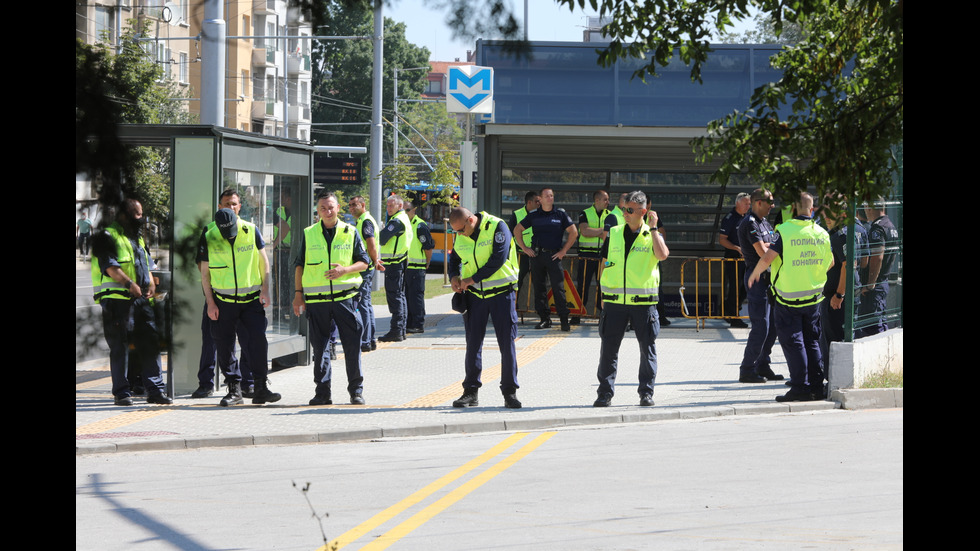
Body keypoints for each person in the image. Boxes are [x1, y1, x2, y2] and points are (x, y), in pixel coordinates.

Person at [748, 192, 834, 402]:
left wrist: (756, 273)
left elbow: (768, 257)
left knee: (794, 343)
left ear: (793, 210)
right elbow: (830, 262)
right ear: (812, 210)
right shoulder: (822, 233)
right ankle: (816, 386)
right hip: (814, 298)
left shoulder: (784, 231)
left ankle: (800, 388)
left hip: (788, 299)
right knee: (812, 342)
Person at [91, 199, 172, 406]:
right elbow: (111, 267)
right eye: (137, 215)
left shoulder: (136, 239)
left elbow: (146, 265)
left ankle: (155, 391)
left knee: (150, 344)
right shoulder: (107, 236)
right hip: (117, 301)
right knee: (120, 346)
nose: (141, 219)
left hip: (141, 300)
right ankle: (122, 392)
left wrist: (152, 283)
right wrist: (130, 285)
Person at [592, 191, 670, 407]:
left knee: (647, 350)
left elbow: (663, 255)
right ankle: (604, 393)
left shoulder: (652, 234)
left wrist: (653, 229)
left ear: (643, 212)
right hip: (615, 302)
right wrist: (602, 293)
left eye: (630, 210)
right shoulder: (614, 232)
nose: (625, 213)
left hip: (643, 304)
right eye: (624, 208)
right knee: (608, 350)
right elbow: (605, 262)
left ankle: (646, 392)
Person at [294, 193, 370, 405]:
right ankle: (322, 392)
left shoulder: (350, 231)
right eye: (323, 208)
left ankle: (356, 391)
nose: (327, 212)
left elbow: (365, 262)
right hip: (317, 301)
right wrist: (298, 295)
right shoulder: (309, 233)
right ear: (317, 211)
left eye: (331, 207)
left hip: (345, 299)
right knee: (320, 348)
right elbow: (299, 265)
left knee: (352, 345)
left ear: (338, 208)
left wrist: (345, 270)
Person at [199, 208, 280, 406]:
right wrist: (210, 302)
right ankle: (234, 389)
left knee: (257, 343)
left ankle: (261, 387)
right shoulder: (209, 236)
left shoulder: (251, 230)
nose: (230, 234)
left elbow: (264, 263)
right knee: (224, 345)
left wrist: (266, 290)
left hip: (251, 301)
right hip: (223, 302)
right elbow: (205, 274)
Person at [448, 207, 522, 409]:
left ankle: (509, 392)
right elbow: (454, 258)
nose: (459, 235)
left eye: (461, 230)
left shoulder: (498, 227)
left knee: (506, 344)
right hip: (475, 297)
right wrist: (453, 276)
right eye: (456, 232)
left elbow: (497, 259)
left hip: (501, 294)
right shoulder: (462, 235)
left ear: (471, 220)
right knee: (473, 344)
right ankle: (470, 392)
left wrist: (471, 279)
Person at [191, 189, 255, 399]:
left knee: (246, 341)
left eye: (234, 204)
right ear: (219, 207)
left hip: (244, 299)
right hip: (218, 298)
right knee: (212, 341)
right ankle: (206, 383)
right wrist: (210, 299)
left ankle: (247, 383)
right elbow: (203, 267)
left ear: (240, 207)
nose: (231, 207)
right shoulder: (209, 231)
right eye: (226, 204)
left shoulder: (249, 230)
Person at [736, 188, 784, 383]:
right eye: (769, 202)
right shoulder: (750, 223)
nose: (773, 205)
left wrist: (770, 248)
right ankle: (747, 369)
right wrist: (771, 249)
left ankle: (763, 365)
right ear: (758, 202)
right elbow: (764, 252)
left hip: (769, 279)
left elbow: (770, 247)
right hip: (757, 279)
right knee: (761, 327)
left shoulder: (764, 222)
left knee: (773, 326)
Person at [514, 188, 578, 331]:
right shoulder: (534, 215)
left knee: (559, 289)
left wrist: (564, 251)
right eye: (546, 196)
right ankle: (544, 319)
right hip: (537, 256)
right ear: (540, 200)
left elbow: (574, 232)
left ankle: (563, 320)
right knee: (539, 288)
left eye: (552, 196)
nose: (550, 198)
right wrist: (524, 248)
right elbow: (517, 230)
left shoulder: (560, 214)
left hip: (554, 256)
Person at [819, 201, 866, 375]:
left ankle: (833, 380)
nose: (826, 217)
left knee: (834, 342)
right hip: (843, 295)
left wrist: (839, 294)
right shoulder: (845, 232)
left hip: (837, 299)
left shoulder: (840, 235)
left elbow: (848, 265)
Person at [378, 194, 414, 342]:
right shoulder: (402, 219)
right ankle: (400, 330)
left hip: (394, 264)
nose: (388, 208)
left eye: (391, 205)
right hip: (398, 262)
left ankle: (396, 330)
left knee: (395, 296)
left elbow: (381, 238)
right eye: (387, 206)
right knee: (399, 295)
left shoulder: (397, 221)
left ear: (400, 206)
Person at [348, 195, 383, 352]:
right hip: (367, 266)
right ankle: (370, 339)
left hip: (365, 267)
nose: (351, 208)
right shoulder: (363, 220)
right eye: (350, 205)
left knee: (362, 303)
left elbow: (371, 244)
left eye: (355, 205)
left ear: (363, 205)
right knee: (366, 303)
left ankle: (366, 340)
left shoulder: (366, 221)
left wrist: (374, 261)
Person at [860, 201, 898, 336]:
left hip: (875, 286)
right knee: (880, 323)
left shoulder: (878, 228)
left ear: (869, 207)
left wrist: (870, 284)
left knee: (872, 328)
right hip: (883, 282)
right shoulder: (890, 225)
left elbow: (878, 257)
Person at [574, 190, 609, 323]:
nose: (608, 202)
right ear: (597, 200)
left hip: (603, 255)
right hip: (586, 254)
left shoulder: (610, 215)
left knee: (603, 285)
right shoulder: (585, 213)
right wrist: (602, 231)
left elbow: (608, 234)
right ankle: (577, 314)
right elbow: (584, 231)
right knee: (583, 285)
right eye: (605, 199)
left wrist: (594, 231)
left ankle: (602, 314)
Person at [719, 192, 751, 328]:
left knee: (746, 286)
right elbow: (722, 240)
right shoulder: (730, 218)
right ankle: (733, 317)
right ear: (737, 203)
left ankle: (729, 307)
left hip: (748, 259)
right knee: (735, 288)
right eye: (746, 203)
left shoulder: (748, 218)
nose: (748, 206)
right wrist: (737, 248)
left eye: (749, 204)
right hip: (734, 259)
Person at [405, 196, 434, 334]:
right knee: (406, 298)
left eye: (408, 210)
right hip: (406, 268)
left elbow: (428, 247)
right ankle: (408, 323)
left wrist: (427, 263)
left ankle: (418, 324)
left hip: (417, 269)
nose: (405, 213)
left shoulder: (420, 225)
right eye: (402, 210)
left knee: (416, 298)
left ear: (414, 210)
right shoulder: (402, 224)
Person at [509, 191, 539, 307]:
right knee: (517, 282)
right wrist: (523, 249)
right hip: (521, 255)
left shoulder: (541, 214)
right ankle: (513, 308)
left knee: (539, 284)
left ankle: (541, 313)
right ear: (529, 202)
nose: (539, 204)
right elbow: (511, 236)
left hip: (537, 255)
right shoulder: (517, 215)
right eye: (537, 201)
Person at [271, 187, 293, 324]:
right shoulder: (278, 212)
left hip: (293, 250)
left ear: (289, 199)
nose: (281, 200)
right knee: (279, 282)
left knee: (291, 282)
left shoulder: (301, 210)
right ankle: (279, 310)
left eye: (283, 197)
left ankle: (289, 309)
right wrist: (274, 245)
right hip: (281, 251)